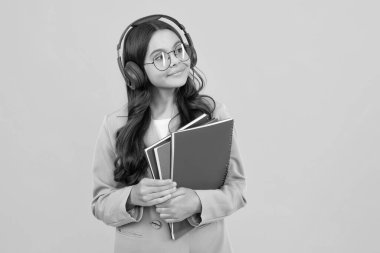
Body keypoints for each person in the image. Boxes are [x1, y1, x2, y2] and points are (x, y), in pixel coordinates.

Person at [91, 14, 247, 253]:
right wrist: (133, 196)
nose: (175, 61)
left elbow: (237, 189)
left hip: (205, 246)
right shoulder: (114, 124)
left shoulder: (213, 113)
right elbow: (100, 203)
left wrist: (197, 202)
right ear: (135, 73)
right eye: (160, 58)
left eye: (178, 50)